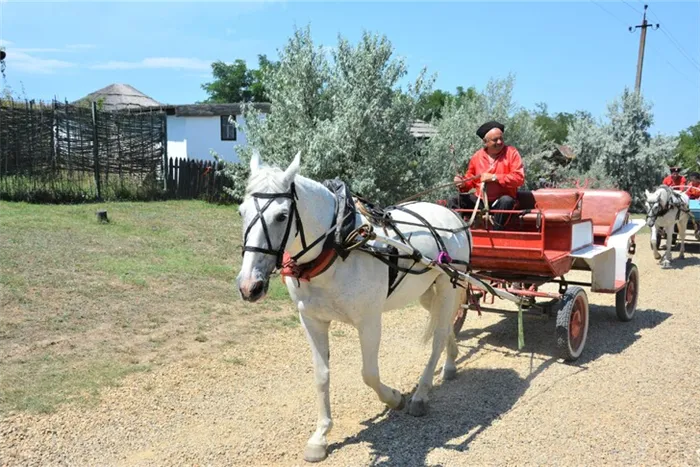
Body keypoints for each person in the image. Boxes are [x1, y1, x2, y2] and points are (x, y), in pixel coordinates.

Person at [448, 120, 525, 230]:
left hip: (501, 202)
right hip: (480, 201)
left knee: (506, 201)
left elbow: (519, 178)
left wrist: (494, 178)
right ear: (485, 142)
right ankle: (458, 232)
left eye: (501, 138)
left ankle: (497, 233)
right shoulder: (477, 156)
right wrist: (462, 183)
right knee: (454, 200)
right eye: (495, 140)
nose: (499, 142)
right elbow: (470, 181)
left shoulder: (512, 153)